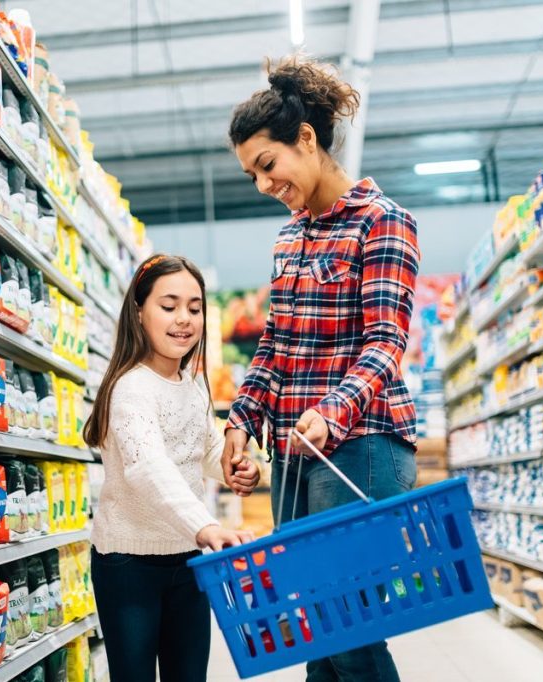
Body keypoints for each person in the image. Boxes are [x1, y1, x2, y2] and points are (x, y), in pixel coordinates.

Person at [221, 56, 421, 682]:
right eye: (252, 174)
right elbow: (276, 345)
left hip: (361, 446)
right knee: (313, 633)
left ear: (305, 139)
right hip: (298, 457)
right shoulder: (290, 238)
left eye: (267, 165)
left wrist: (332, 412)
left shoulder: (382, 222)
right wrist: (240, 421)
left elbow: (386, 342)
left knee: (349, 630)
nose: (262, 184)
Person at [84, 253, 261, 682]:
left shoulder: (192, 384)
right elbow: (148, 468)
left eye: (194, 308)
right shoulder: (130, 389)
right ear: (139, 312)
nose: (184, 319)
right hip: (129, 563)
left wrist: (235, 468)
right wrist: (206, 526)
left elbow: (201, 449)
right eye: (169, 306)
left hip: (186, 560)